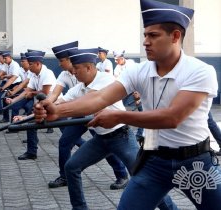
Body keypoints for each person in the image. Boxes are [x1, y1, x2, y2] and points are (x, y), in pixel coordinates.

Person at [34, 1, 221, 209]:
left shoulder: (200, 71)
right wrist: (57, 111)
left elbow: (172, 117)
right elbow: (100, 98)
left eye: (153, 35)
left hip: (194, 161)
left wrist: (120, 117)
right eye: (145, 35)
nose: (145, 42)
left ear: (175, 36)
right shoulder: (138, 71)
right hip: (155, 160)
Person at [48, 42, 129, 190]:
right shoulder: (70, 78)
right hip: (82, 114)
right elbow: (58, 97)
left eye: (62, 61)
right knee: (65, 143)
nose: (61, 64)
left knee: (109, 146)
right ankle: (65, 176)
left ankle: (122, 175)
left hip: (111, 126)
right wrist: (44, 108)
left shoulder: (103, 77)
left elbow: (90, 100)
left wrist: (57, 110)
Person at [7, 50, 57, 160]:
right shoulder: (34, 74)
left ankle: (83, 145)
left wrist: (32, 93)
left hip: (54, 105)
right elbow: (27, 91)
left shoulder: (47, 73)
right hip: (40, 105)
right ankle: (31, 152)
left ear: (38, 64)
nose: (28, 67)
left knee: (68, 131)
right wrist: (13, 100)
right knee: (30, 125)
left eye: (30, 64)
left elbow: (44, 92)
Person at [0, 51, 22, 123]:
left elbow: (12, 77)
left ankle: (17, 119)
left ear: (10, 57)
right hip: (10, 84)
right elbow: (2, 73)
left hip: (17, 84)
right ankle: (6, 118)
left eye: (6, 58)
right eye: (3, 58)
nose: (4, 60)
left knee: (17, 103)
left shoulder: (15, 65)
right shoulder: (6, 64)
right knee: (5, 100)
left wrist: (3, 86)